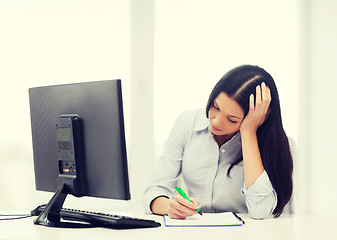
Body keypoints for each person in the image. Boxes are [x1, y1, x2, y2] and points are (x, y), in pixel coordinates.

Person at [142, 65, 293, 219]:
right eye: (215, 106)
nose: (216, 121)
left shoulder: (276, 145)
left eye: (232, 119)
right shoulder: (187, 124)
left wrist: (248, 132)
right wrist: (170, 207)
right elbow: (154, 191)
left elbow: (261, 211)